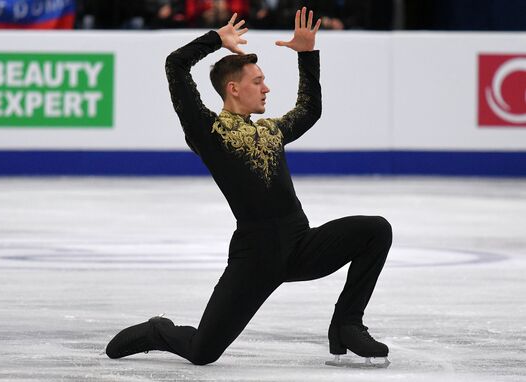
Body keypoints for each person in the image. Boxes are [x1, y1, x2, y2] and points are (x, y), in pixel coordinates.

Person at [106, 7, 392, 367]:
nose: (266, 87)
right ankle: (157, 331)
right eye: (258, 81)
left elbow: (309, 109)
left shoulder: (270, 131)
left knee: (375, 230)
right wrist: (215, 40)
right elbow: (175, 65)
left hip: (302, 244)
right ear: (233, 88)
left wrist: (307, 54)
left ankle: (346, 324)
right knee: (202, 353)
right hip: (256, 259)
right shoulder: (208, 132)